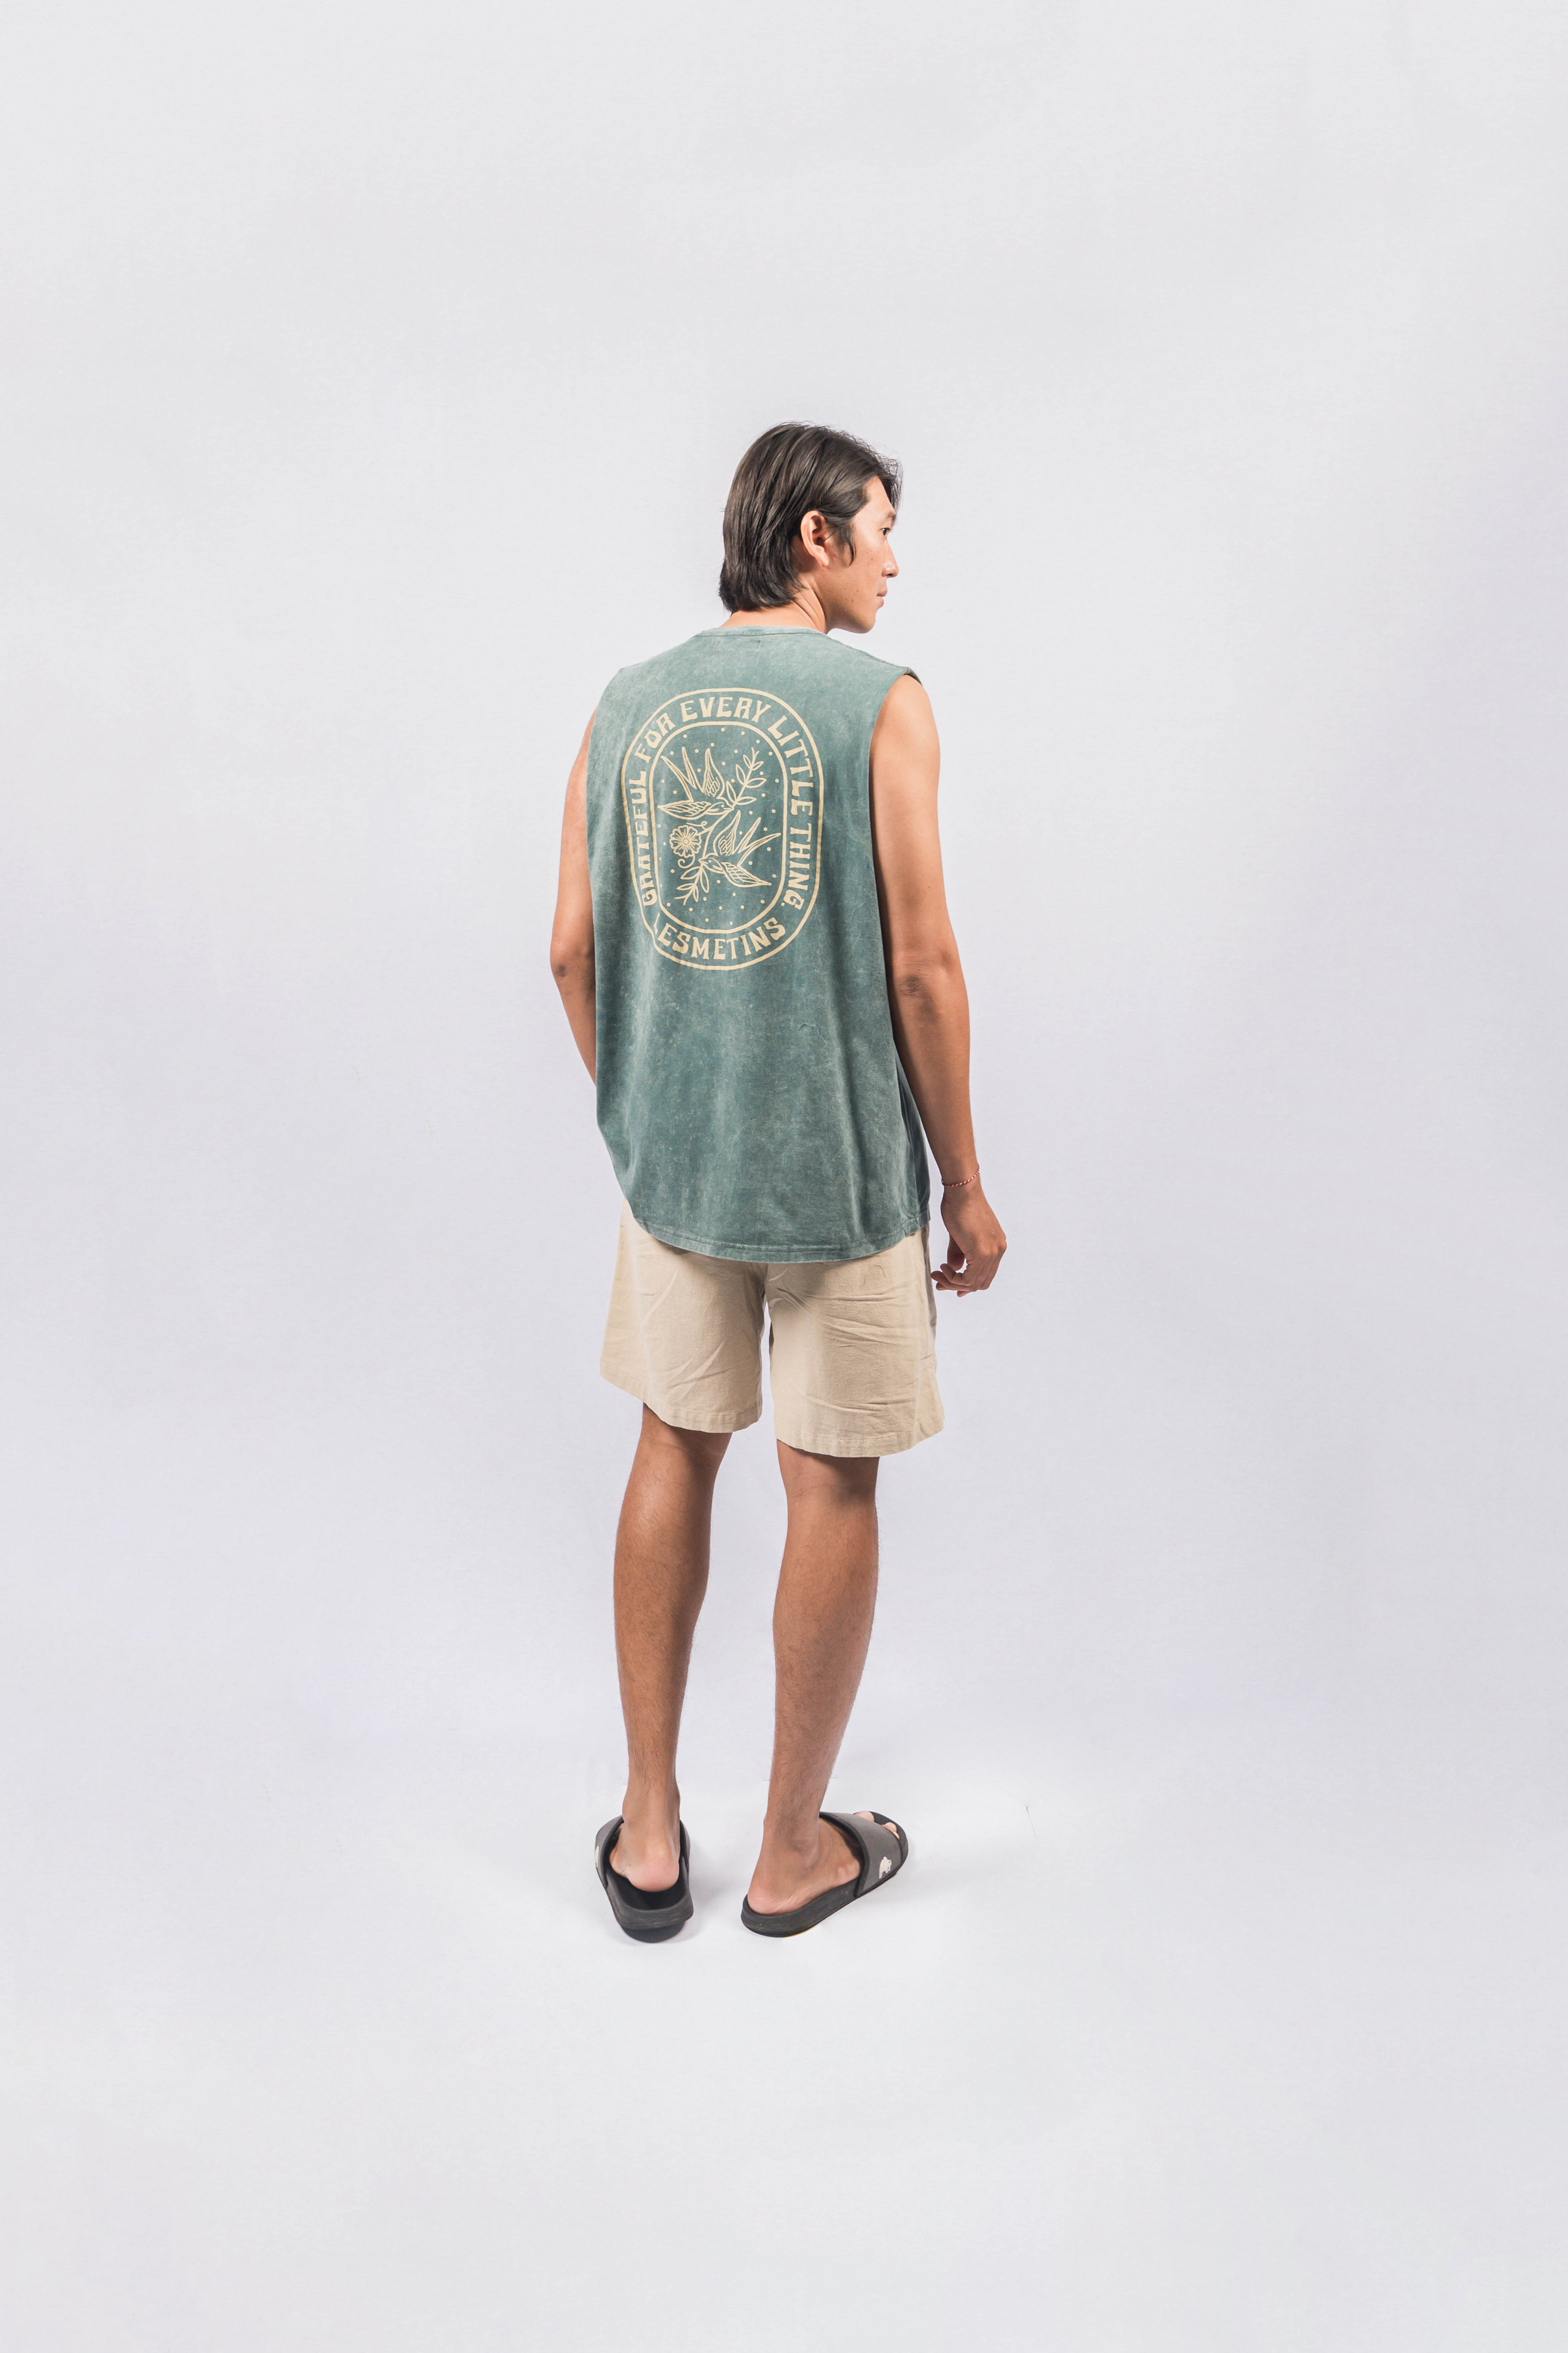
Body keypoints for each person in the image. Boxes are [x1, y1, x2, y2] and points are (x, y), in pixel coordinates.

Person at [549, 422, 1006, 1941]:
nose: (894, 562)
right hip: (842, 1172)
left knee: (672, 1448)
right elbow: (923, 968)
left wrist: (640, 1112)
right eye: (881, 529)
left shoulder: (624, 703)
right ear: (815, 537)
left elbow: (570, 949)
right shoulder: (882, 703)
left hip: (677, 1168)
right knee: (832, 1481)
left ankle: (651, 1833)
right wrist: (965, 1184)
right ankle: (793, 1851)